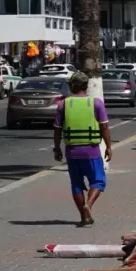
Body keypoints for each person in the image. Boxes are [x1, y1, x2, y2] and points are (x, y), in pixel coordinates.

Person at [53, 72, 112, 227]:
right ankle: (88, 205)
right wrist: (109, 147)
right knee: (98, 181)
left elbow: (57, 130)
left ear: (73, 86)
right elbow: (104, 127)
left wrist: (57, 148)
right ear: (86, 86)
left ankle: (84, 218)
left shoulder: (63, 104)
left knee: (76, 184)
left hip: (72, 152)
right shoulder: (96, 103)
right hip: (91, 151)